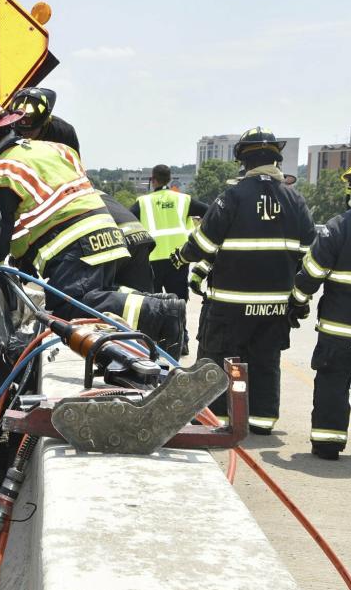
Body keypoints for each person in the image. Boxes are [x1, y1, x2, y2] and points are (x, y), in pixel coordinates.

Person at [0, 100, 184, 356]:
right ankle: (157, 302)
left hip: (74, 243)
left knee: (69, 307)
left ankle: (162, 311)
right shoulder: (56, 148)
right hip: (108, 232)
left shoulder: (1, 171)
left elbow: (1, 238)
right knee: (100, 296)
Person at [171, 127, 316, 434]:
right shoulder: (296, 201)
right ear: (276, 159)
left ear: (243, 161)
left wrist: (180, 259)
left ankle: (219, 421)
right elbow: (308, 255)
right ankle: (261, 422)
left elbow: (204, 245)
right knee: (266, 361)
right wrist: (299, 301)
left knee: (221, 359)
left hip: (231, 304)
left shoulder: (232, 197)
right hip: (275, 306)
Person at [287, 167, 351, 459]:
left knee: (333, 384)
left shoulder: (340, 227)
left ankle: (328, 444)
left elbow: (312, 271)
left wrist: (298, 300)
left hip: (339, 329)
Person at [132, 164, 209, 354]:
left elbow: (125, 219)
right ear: (169, 178)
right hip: (179, 259)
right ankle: (182, 342)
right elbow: (210, 211)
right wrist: (198, 236)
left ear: (153, 180)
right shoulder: (183, 200)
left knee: (155, 305)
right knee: (179, 302)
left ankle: (156, 345)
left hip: (153, 259)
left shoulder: (143, 202)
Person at [100, 192, 155, 293]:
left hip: (117, 238)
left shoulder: (74, 198)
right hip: (140, 235)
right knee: (143, 295)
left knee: (98, 291)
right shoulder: (101, 194)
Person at [7, 87, 80, 155]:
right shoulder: (6, 131)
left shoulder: (64, 133)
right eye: (22, 130)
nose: (25, 134)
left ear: (45, 122)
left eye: (31, 130)